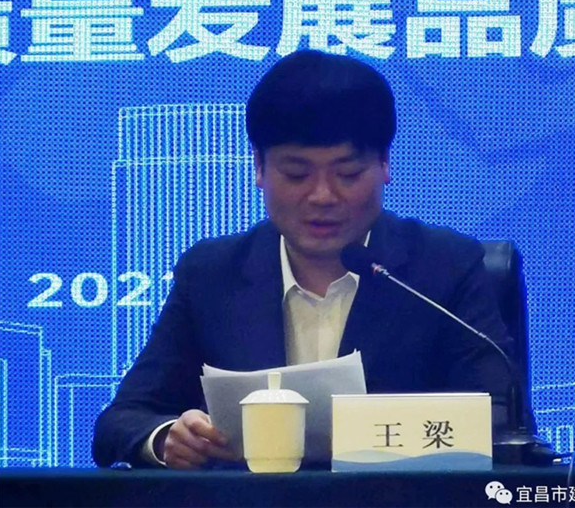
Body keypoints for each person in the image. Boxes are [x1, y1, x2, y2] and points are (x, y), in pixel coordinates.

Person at [93, 50, 515, 470]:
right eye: (296, 174)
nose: (322, 196)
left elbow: (502, 422)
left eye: (347, 174)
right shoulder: (211, 274)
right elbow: (122, 420)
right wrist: (167, 438)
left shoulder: (444, 268)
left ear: (386, 164)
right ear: (259, 167)